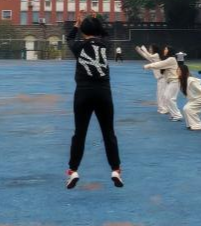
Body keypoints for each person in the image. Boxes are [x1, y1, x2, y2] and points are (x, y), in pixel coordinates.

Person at [65, 15, 122, 189]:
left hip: (83, 93)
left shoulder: (78, 46)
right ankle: (115, 170)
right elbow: (106, 34)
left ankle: (73, 170)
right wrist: (97, 22)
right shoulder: (105, 45)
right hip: (103, 92)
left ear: (83, 31)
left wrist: (76, 25)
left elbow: (69, 38)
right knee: (108, 132)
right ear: (97, 30)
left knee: (79, 133)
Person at [136, 44, 180, 118]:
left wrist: (144, 50)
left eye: (166, 49)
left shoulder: (161, 57)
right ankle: (166, 110)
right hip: (165, 80)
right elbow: (147, 57)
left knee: (166, 96)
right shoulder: (164, 59)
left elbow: (158, 63)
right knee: (163, 95)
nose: (164, 50)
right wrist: (139, 51)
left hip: (170, 80)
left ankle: (169, 111)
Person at [177, 58, 201, 131]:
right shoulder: (181, 80)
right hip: (195, 99)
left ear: (183, 72)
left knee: (189, 109)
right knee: (185, 108)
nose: (177, 71)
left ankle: (198, 126)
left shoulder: (191, 80)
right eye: (177, 70)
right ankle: (190, 124)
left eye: (179, 70)